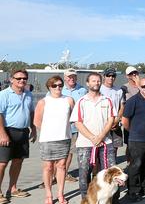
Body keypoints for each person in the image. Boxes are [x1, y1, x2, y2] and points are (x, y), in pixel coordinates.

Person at [70, 72, 117, 202]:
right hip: (85, 144)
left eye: (98, 81)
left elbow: (110, 119)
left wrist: (101, 136)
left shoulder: (107, 100)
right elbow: (77, 122)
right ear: (87, 83)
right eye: (93, 81)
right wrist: (92, 138)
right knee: (84, 174)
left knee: (109, 173)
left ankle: (108, 200)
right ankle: (87, 200)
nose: (96, 83)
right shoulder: (81, 101)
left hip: (105, 142)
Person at [34, 76, 74, 204]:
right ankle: (48, 195)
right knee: (48, 167)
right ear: (49, 87)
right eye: (54, 85)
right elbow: (37, 121)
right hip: (47, 139)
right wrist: (48, 131)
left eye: (60, 85)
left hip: (64, 138)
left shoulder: (68, 100)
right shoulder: (43, 102)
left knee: (61, 166)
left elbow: (74, 118)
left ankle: (60, 194)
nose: (58, 87)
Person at [0, 70, 36, 203]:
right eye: (19, 78)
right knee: (2, 163)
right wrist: (2, 133)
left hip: (23, 132)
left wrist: (33, 128)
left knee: (18, 161)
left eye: (24, 78)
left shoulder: (28, 94)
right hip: (7, 131)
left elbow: (31, 112)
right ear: (11, 79)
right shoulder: (4, 95)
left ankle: (13, 189)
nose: (22, 80)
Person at [61, 69, 87, 183]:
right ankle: (54, 176)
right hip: (60, 127)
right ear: (65, 77)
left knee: (70, 152)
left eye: (73, 77)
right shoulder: (58, 88)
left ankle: (64, 174)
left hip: (76, 127)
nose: (71, 78)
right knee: (58, 152)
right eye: (69, 77)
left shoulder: (82, 90)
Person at [99, 68, 125, 164]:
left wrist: (117, 119)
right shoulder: (99, 89)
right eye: (108, 75)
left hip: (115, 124)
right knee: (100, 149)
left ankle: (112, 167)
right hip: (102, 123)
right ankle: (97, 174)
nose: (111, 78)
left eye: (113, 76)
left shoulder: (119, 91)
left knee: (114, 148)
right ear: (104, 76)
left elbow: (122, 106)